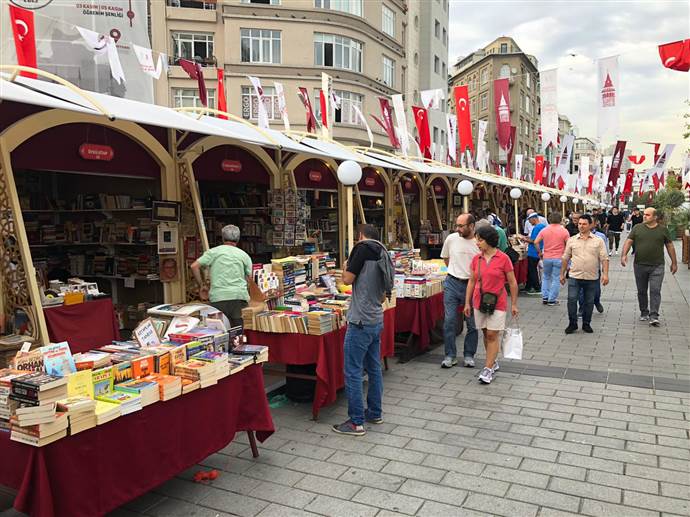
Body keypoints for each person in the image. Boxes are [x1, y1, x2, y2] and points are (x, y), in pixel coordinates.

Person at [333, 224, 392, 436]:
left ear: (360, 236)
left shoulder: (361, 249)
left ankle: (356, 422)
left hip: (360, 320)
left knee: (353, 371)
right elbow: (385, 293)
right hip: (376, 317)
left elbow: (347, 280)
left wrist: (345, 265)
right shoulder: (383, 252)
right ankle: (375, 412)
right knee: (374, 368)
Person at [463, 225, 519, 384]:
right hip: (479, 301)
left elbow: (513, 283)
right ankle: (492, 361)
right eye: (477, 239)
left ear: (489, 240)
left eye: (480, 240)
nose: (477, 243)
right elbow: (472, 281)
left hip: (498, 302)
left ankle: (487, 370)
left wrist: (514, 304)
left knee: (492, 335)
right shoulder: (476, 259)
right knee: (486, 333)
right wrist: (467, 302)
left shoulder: (503, 258)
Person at [621, 207, 678, 326]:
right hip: (639, 265)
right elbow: (629, 241)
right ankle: (644, 312)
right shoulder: (637, 228)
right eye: (644, 214)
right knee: (642, 291)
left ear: (655, 217)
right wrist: (623, 255)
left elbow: (670, 246)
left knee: (655, 290)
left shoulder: (662, 230)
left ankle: (654, 315)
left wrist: (674, 262)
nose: (644, 216)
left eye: (648, 215)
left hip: (657, 265)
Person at [190, 224, 252, 327]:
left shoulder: (214, 252)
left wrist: (202, 285)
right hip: (238, 297)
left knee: (218, 328)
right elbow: (249, 278)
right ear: (238, 239)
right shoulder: (244, 255)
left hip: (218, 297)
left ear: (222, 238)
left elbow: (194, 266)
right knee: (236, 329)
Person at [440, 213, 479, 368]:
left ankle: (469, 354)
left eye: (461, 226)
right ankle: (450, 355)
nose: (458, 229)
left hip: (472, 285)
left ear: (471, 226)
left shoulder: (478, 242)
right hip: (452, 282)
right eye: (457, 225)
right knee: (449, 321)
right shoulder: (451, 239)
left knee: (472, 323)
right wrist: (455, 270)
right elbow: (446, 258)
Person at [560, 214, 609, 334]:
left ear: (591, 225)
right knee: (571, 300)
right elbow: (566, 258)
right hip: (574, 276)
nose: (581, 226)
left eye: (584, 224)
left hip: (591, 277)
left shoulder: (598, 241)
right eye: (579, 224)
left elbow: (604, 258)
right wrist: (562, 274)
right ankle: (573, 323)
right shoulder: (572, 240)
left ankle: (586, 323)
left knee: (589, 301)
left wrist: (605, 274)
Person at [534, 211, 569, 306]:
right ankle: (552, 299)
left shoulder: (544, 230)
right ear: (560, 220)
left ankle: (545, 297)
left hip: (547, 257)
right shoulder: (564, 231)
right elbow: (569, 244)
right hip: (559, 257)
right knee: (556, 278)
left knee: (546, 277)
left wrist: (540, 252)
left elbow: (536, 242)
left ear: (549, 219)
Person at [579, 218, 609, 315]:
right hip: (579, 269)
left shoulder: (601, 237)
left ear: (593, 224)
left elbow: (604, 255)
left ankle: (596, 301)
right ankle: (582, 307)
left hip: (594, 268)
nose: (583, 226)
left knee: (595, 289)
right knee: (581, 290)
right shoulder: (576, 236)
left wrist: (605, 272)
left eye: (586, 223)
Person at [521, 213, 545, 294]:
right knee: (531, 270)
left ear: (534, 218)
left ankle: (537, 288)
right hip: (537, 251)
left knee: (532, 270)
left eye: (529, 220)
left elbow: (534, 241)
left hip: (533, 252)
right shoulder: (542, 226)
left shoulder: (537, 227)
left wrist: (523, 239)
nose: (529, 222)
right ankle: (528, 287)